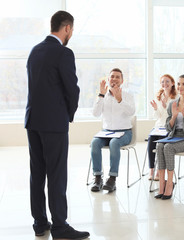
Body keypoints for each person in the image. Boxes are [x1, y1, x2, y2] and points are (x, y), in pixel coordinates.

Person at [25, 11, 89, 239]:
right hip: (54, 124)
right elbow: (72, 89)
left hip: (33, 122)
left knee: (38, 174)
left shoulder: (35, 51)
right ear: (67, 28)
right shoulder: (63, 53)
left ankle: (40, 223)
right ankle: (60, 226)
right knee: (57, 175)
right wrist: (68, 115)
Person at [90, 68, 135, 193]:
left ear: (122, 81)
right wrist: (101, 95)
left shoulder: (128, 96)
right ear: (108, 79)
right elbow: (95, 113)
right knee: (94, 143)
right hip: (107, 132)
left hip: (124, 132)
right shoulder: (103, 95)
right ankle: (98, 178)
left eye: (117, 77)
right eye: (112, 76)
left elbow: (131, 112)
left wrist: (119, 99)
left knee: (114, 143)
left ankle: (112, 179)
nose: (114, 79)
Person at [148, 74, 177, 180]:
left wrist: (165, 106)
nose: (165, 84)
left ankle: (159, 171)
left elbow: (175, 115)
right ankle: (151, 170)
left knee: (160, 142)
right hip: (159, 126)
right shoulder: (158, 97)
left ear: (172, 83)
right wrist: (156, 108)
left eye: (167, 81)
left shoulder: (176, 97)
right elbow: (157, 117)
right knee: (151, 140)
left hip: (169, 127)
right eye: (162, 82)